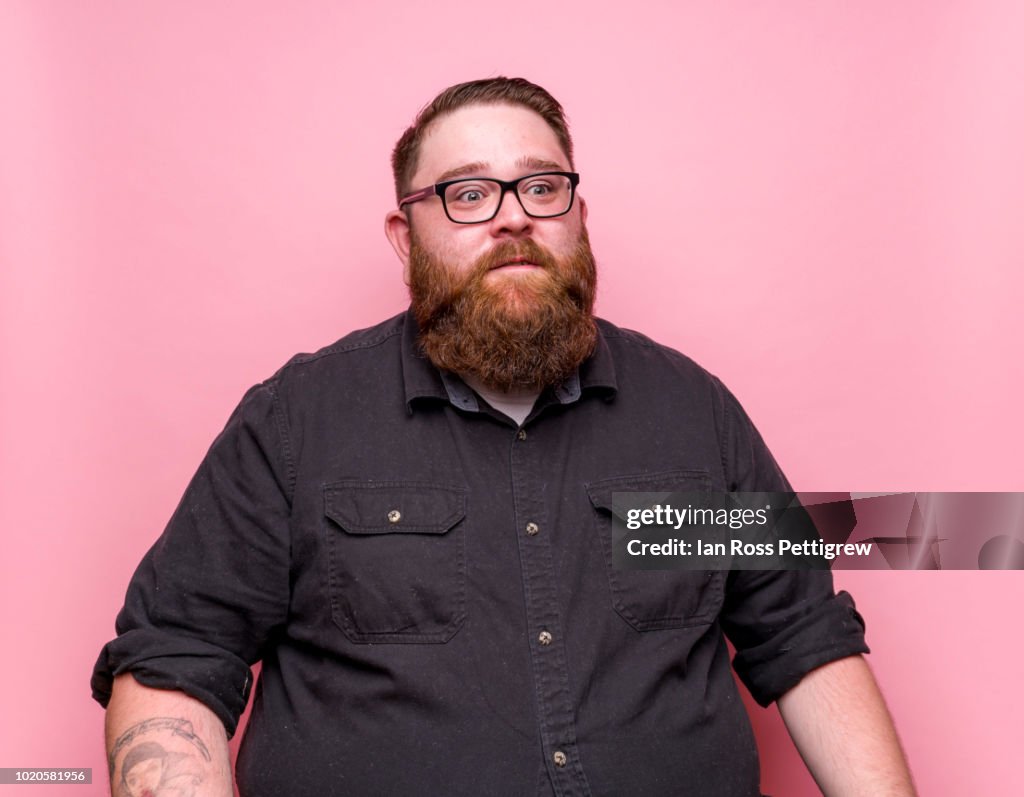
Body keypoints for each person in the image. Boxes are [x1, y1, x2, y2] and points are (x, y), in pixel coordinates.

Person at [93, 77, 916, 796]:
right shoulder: (294, 420)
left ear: (579, 217)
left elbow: (806, 640)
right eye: (468, 194)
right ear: (405, 234)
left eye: (541, 188)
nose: (513, 219)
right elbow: (176, 657)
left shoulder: (692, 410)